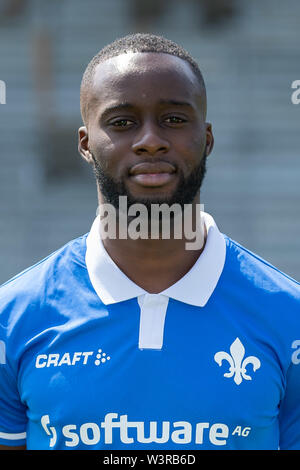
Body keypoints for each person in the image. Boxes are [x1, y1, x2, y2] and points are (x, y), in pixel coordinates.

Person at [0, 33, 299, 451]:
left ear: (207, 138)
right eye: (122, 122)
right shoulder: (12, 319)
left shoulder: (290, 317)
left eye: (174, 119)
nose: (150, 140)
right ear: (85, 144)